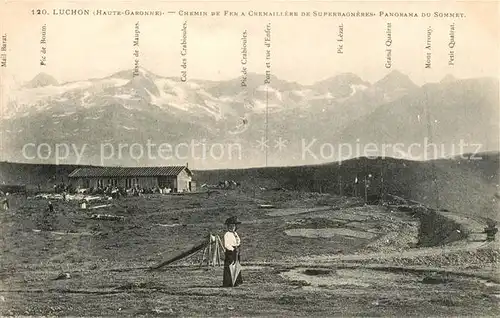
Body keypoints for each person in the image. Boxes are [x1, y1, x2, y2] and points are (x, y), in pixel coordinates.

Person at [223, 216, 243, 287]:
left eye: (233, 226)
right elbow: (226, 244)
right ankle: (228, 282)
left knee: (237, 265)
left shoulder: (235, 234)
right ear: (228, 227)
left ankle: (236, 281)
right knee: (230, 266)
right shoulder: (227, 234)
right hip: (230, 252)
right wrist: (232, 249)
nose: (232, 227)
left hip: (236, 251)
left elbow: (238, 241)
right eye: (230, 226)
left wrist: (238, 246)